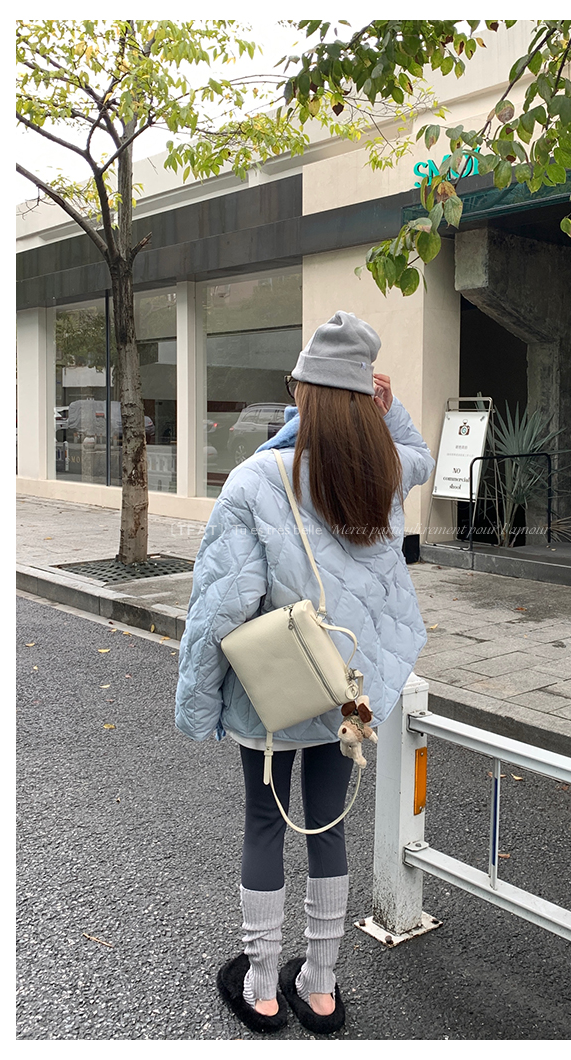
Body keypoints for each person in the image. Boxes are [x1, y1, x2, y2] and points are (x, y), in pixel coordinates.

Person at [175, 310, 435, 1035]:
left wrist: (197, 703)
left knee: (265, 823)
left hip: (273, 692)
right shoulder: (382, 474)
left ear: (302, 394)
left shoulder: (257, 479)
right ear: (362, 400)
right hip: (345, 694)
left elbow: (220, 607)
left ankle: (261, 986)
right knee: (327, 828)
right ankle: (319, 988)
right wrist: (390, 409)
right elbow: (419, 453)